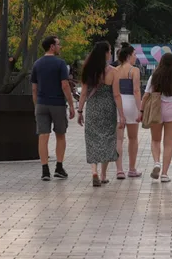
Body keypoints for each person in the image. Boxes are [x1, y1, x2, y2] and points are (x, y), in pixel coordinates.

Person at [77, 41, 125, 187]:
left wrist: (80, 111)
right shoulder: (113, 72)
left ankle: (94, 171)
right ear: (106, 53)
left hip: (93, 109)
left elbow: (84, 93)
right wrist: (121, 115)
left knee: (92, 139)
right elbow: (116, 95)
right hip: (108, 109)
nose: (111, 53)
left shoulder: (88, 69)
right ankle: (104, 175)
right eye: (110, 50)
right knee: (107, 140)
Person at [138, 53, 172, 183]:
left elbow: (146, 95)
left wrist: (141, 111)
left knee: (155, 140)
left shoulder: (155, 76)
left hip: (157, 108)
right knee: (168, 143)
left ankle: (156, 163)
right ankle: (165, 174)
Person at [32, 36, 75, 181]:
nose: (60, 46)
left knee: (43, 136)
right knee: (60, 135)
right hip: (57, 104)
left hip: (41, 104)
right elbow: (65, 85)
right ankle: (59, 167)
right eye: (58, 44)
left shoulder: (37, 64)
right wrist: (71, 104)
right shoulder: (60, 63)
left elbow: (34, 88)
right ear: (52, 46)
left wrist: (36, 105)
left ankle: (45, 170)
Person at [114, 44, 142, 179]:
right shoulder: (134, 70)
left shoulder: (115, 70)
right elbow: (136, 90)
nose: (136, 57)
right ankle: (132, 168)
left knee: (119, 139)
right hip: (131, 103)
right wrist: (140, 108)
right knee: (133, 138)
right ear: (129, 56)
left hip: (118, 102)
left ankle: (119, 169)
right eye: (135, 54)